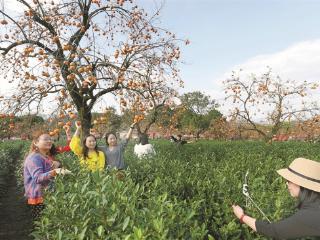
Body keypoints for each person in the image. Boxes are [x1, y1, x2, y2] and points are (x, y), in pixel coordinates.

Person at [232, 157, 320, 239]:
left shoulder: (307, 216)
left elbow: (273, 230)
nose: (287, 184)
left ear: (301, 185)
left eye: (289, 181)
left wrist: (241, 216)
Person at [23, 131, 70, 219]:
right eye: (45, 139)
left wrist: (57, 165)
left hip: (49, 195)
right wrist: (56, 171)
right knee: (42, 224)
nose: (49, 141)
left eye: (50, 139)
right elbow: (38, 178)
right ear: (36, 142)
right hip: (39, 197)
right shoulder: (34, 158)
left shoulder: (45, 156)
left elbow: (49, 171)